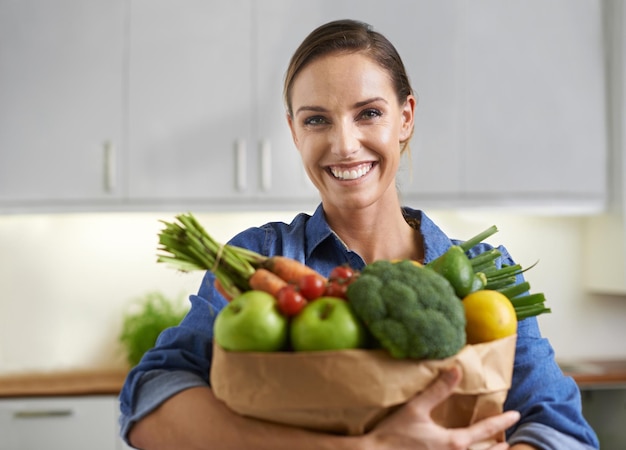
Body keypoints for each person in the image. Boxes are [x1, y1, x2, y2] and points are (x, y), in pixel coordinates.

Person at [119, 19, 599, 450]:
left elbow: (562, 428)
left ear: (405, 117)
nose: (344, 145)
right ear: (294, 132)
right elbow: (147, 399)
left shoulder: (484, 272)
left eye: (368, 113)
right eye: (316, 120)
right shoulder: (262, 257)